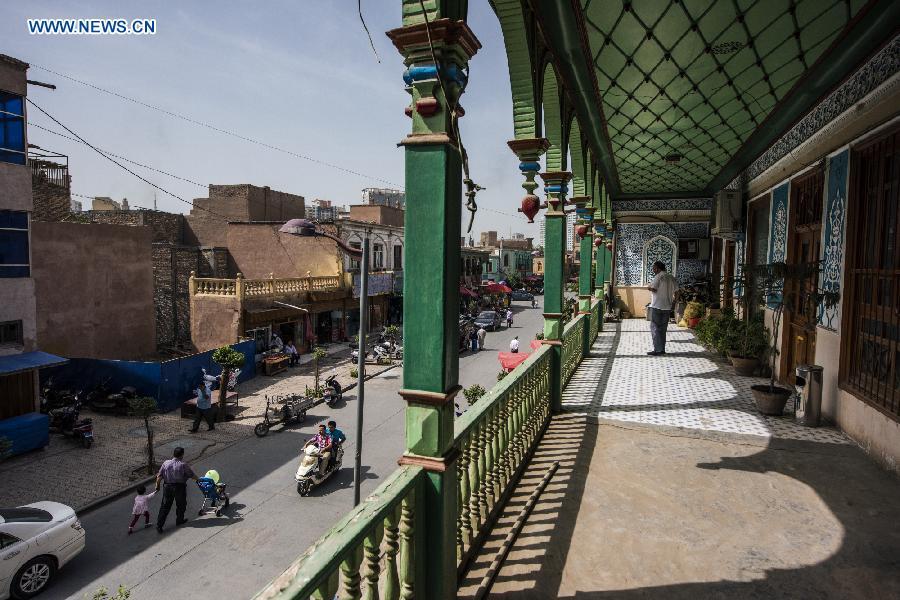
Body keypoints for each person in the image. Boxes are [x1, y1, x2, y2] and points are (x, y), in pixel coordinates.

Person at [155, 447, 198, 533]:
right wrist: (199, 479)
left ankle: (159, 526)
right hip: (179, 488)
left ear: (173, 454)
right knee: (181, 504)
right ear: (182, 455)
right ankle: (179, 520)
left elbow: (159, 476)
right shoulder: (183, 465)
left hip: (167, 487)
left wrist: (157, 485)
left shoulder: (166, 463)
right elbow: (191, 475)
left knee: (165, 506)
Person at [646, 260, 677, 356]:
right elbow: (677, 292)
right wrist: (674, 303)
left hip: (657, 306)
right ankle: (662, 349)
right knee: (663, 329)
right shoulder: (671, 277)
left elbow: (654, 289)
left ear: (658, 268)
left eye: (654, 268)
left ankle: (657, 350)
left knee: (655, 328)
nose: (653, 270)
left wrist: (649, 287)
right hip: (667, 306)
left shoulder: (658, 276)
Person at [190, 369, 217, 433]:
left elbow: (207, 397)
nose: (199, 387)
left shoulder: (207, 390)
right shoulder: (199, 389)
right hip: (199, 406)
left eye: (200, 387)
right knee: (197, 419)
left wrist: (203, 391)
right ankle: (194, 429)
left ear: (203, 386)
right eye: (199, 387)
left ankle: (211, 427)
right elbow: (197, 394)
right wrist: (195, 392)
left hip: (206, 407)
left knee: (208, 418)